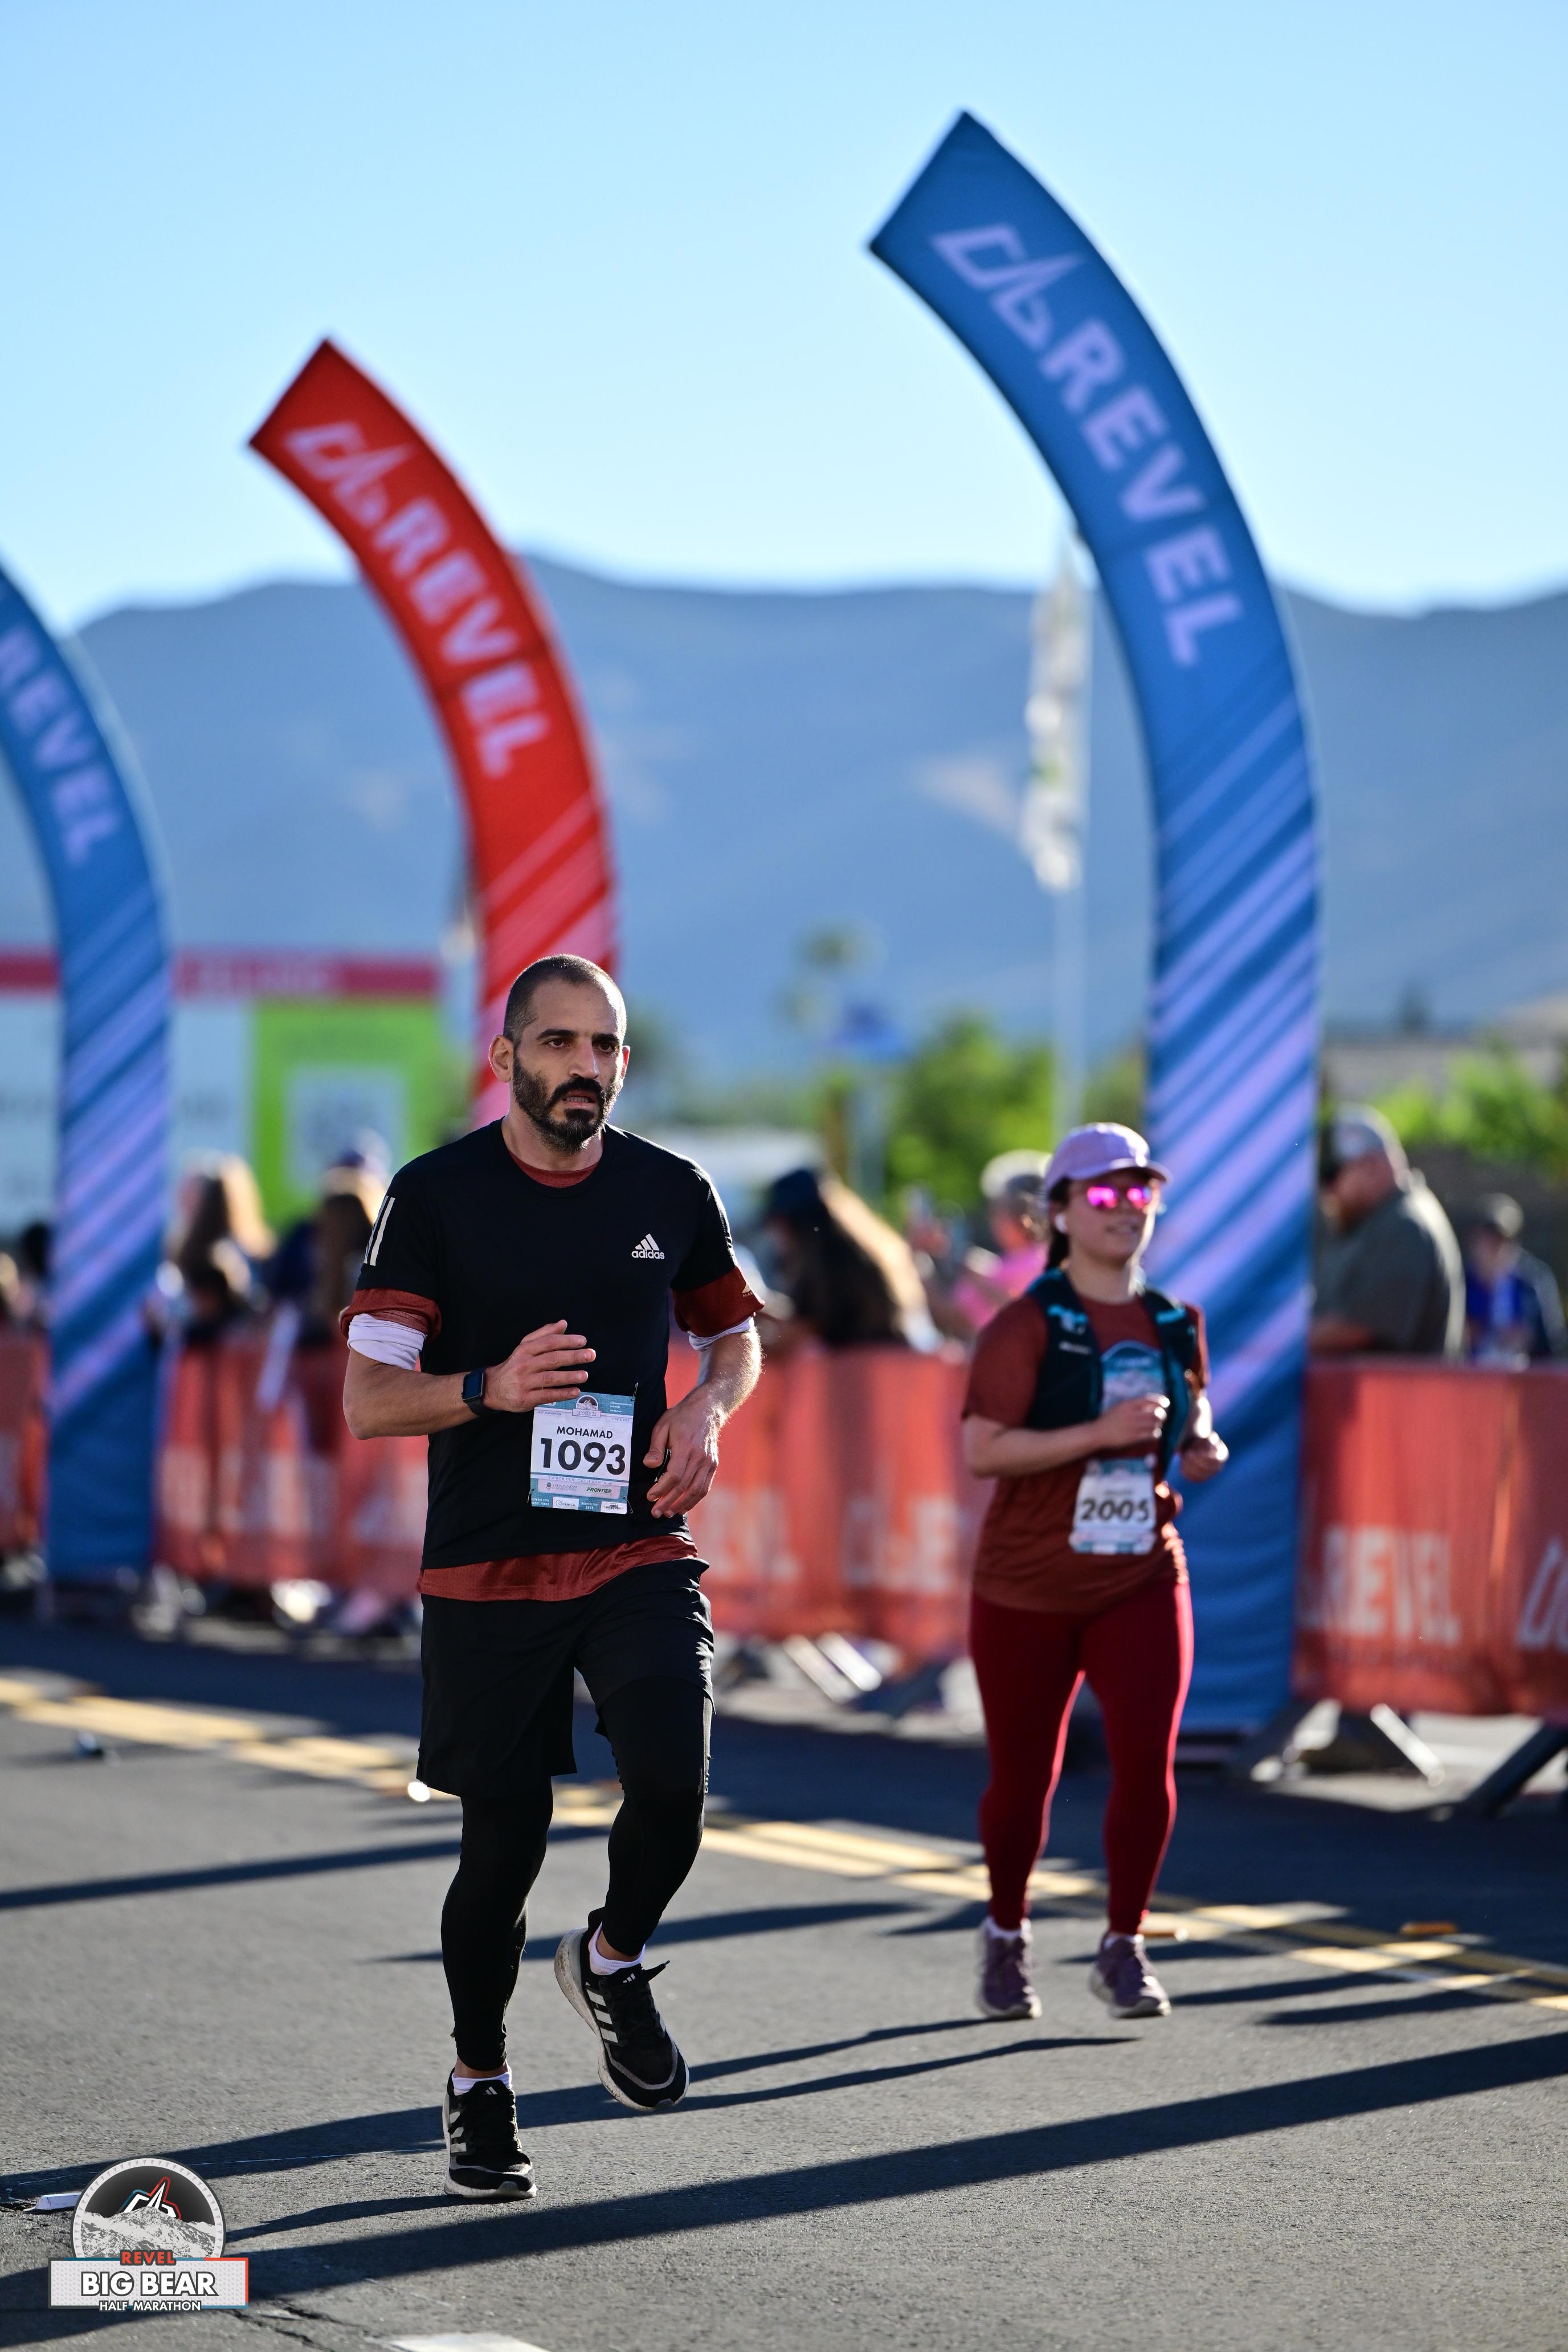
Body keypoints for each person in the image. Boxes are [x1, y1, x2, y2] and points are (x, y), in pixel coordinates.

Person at [341, 954, 761, 2201]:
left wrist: (705, 1411)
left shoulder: (670, 1188)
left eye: (605, 1046)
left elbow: (734, 1335)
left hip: (633, 1540)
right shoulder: (435, 1195)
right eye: (560, 1042)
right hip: (488, 1561)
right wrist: (489, 1387)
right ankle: (479, 2080)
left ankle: (613, 1958)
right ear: (506, 1057)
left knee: (674, 1786)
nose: (586, 1067)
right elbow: (369, 1400)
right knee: (502, 1848)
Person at [960, 1123, 1227, 2026]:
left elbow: (1191, 1414)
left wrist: (1201, 1445)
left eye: (1142, 1192)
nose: (1127, 1210)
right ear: (1062, 1213)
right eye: (1106, 1194)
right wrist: (1097, 1436)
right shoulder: (1024, 1324)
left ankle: (1125, 1943)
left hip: (1140, 1574)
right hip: (1026, 1587)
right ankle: (1006, 1932)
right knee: (1022, 1780)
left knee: (1147, 1765)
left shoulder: (1174, 1322)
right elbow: (983, 1450)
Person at [1311, 1106, 1463, 1357]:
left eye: (1331, 1175)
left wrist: (1277, 1342)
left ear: (1372, 1166)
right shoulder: (1382, 1220)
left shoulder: (1405, 1224)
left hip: (1405, 1384)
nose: (1327, 1190)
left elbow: (1357, 1328)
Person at [761, 1165, 937, 1350]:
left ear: (793, 1222)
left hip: (863, 1363)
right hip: (891, 1359)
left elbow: (808, 1328)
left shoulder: (827, 1262)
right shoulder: (865, 1248)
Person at [948, 1150, 1050, 1336]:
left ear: (1022, 1214)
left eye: (998, 1210)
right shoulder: (1008, 1262)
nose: (992, 1219)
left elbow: (1026, 1317)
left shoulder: (1042, 1262)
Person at [1463, 1194, 1566, 1365]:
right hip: (1472, 1376)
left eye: (1501, 1240)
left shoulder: (1534, 1282)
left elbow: (1554, 1343)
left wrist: (1530, 1339)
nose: (1495, 1249)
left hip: (1522, 1376)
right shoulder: (1461, 1283)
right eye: (1488, 1239)